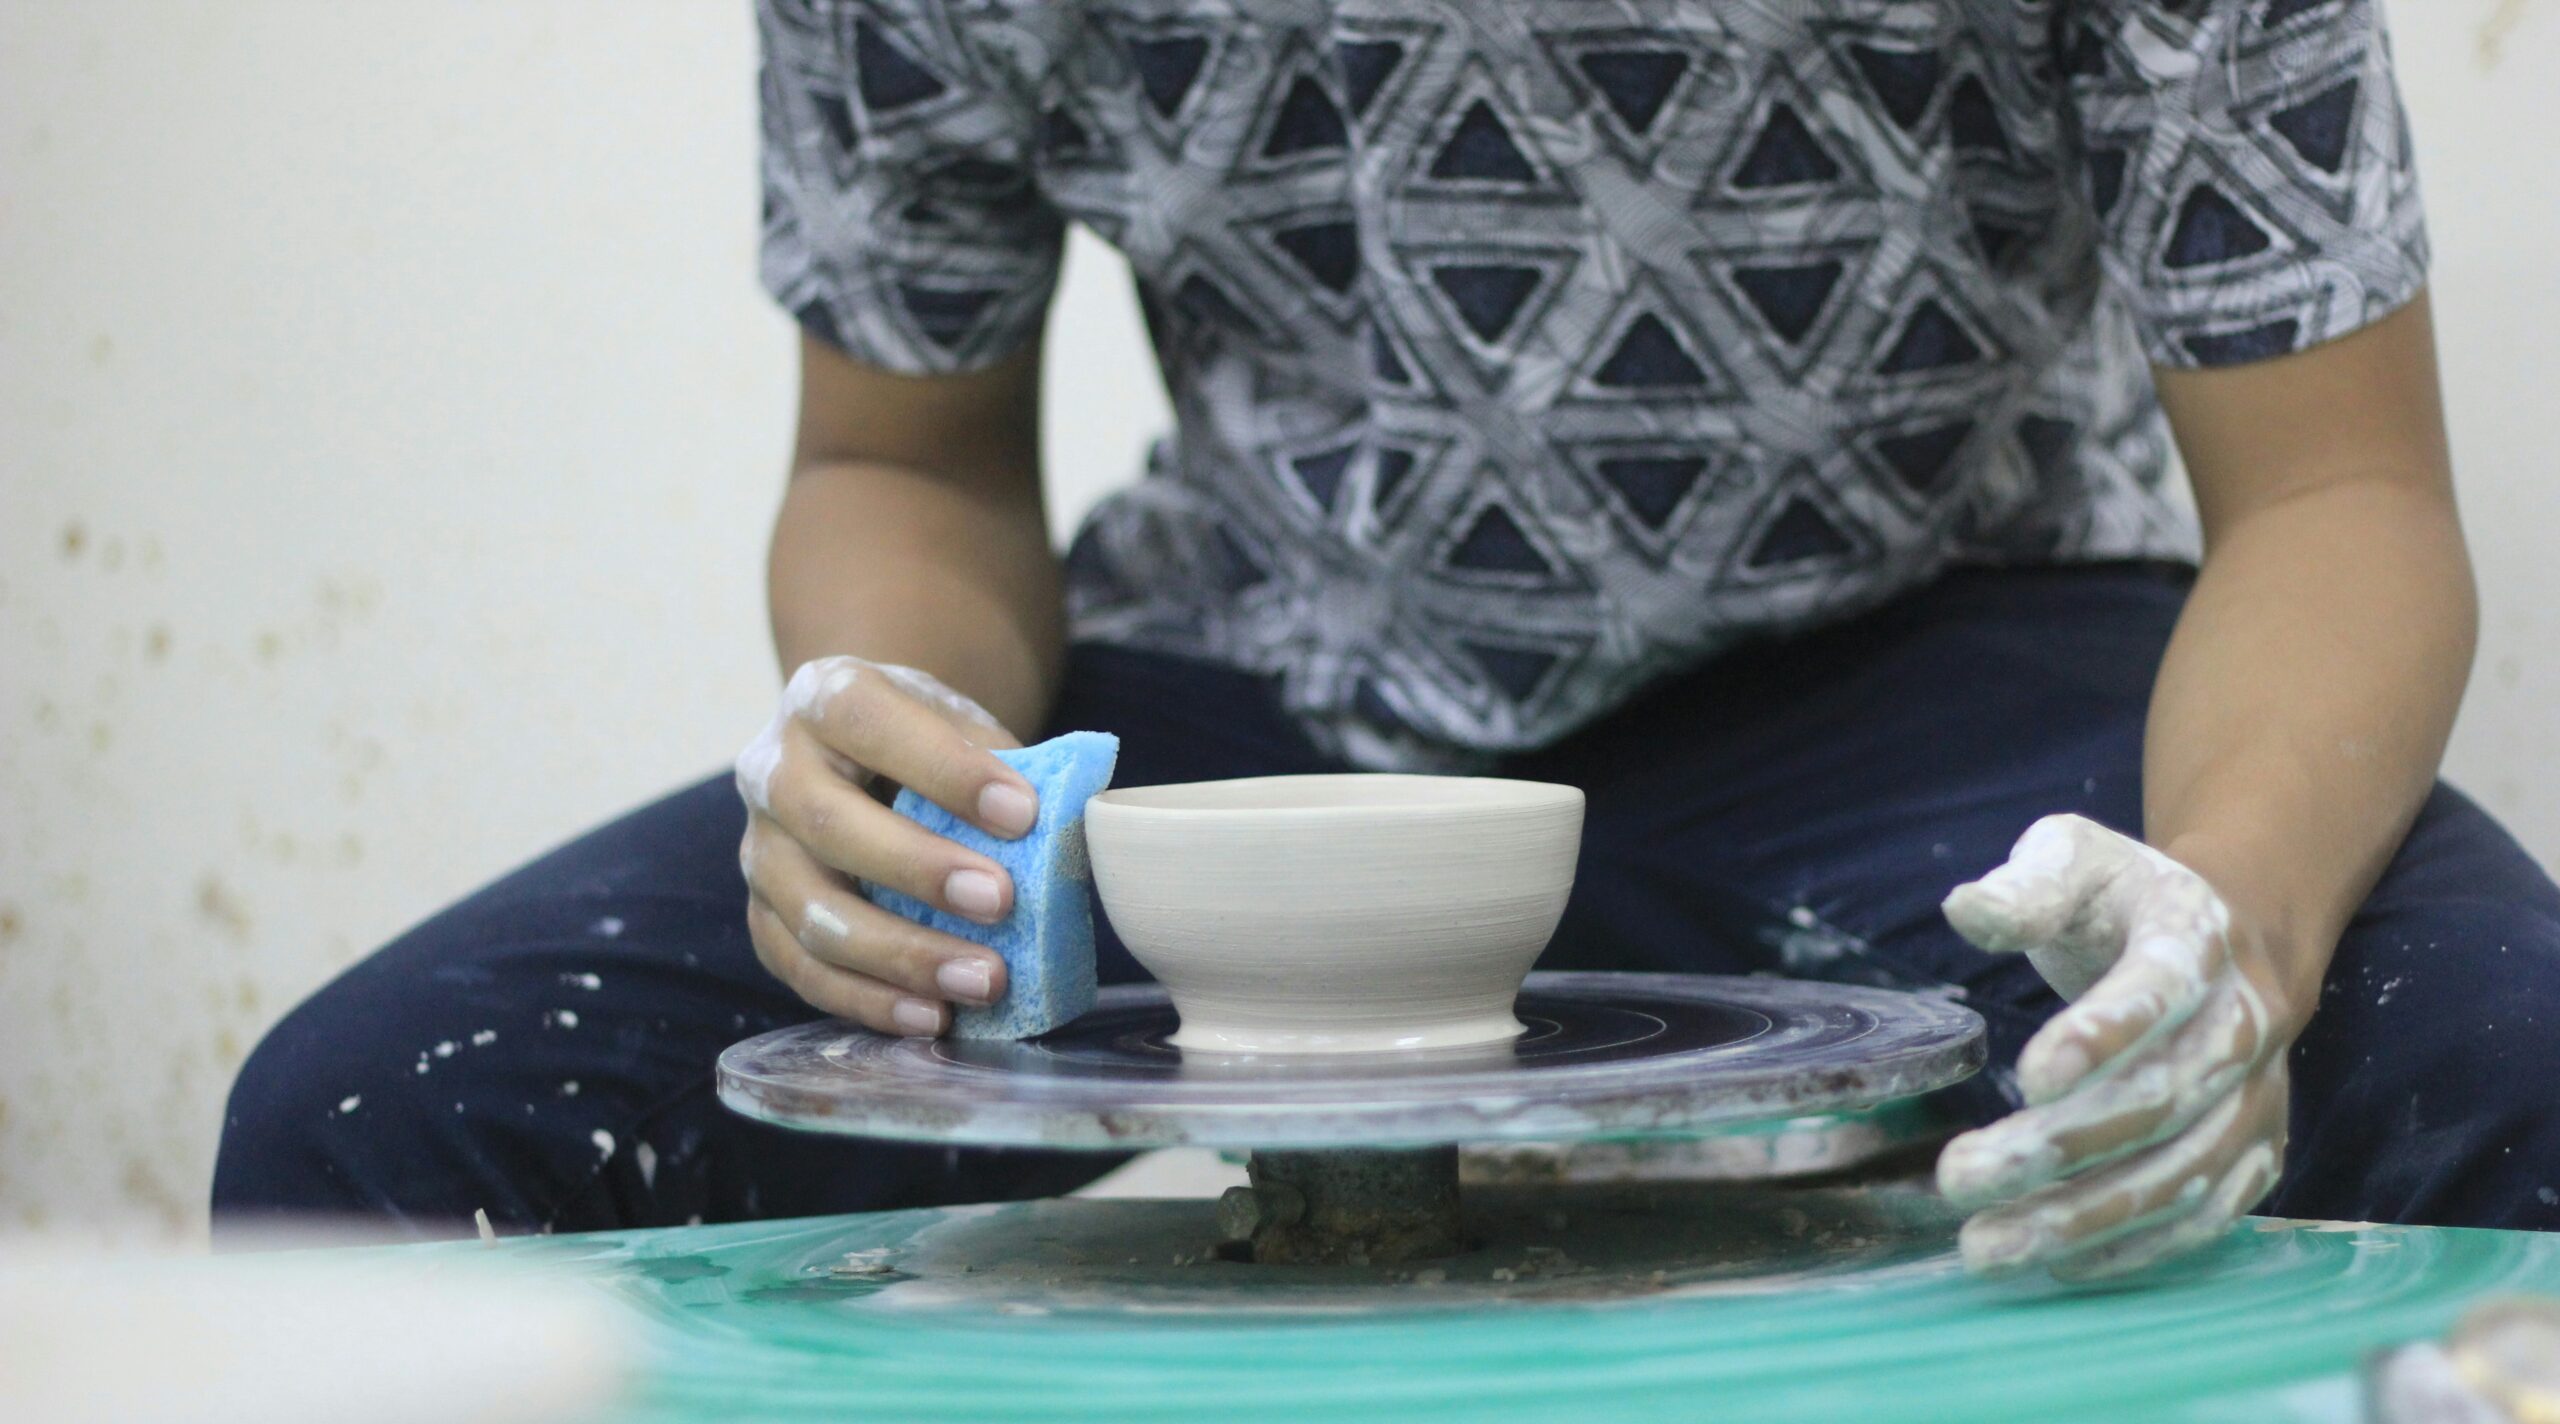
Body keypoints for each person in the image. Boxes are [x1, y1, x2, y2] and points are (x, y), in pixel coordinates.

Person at [215, 0, 2560, 1274]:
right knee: (384, 1131)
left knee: (2496, 1072)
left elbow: (2339, 492)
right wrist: (886, 742)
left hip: (1942, 674)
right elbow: (904, 467)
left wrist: (2221, 934)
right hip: (1257, 700)